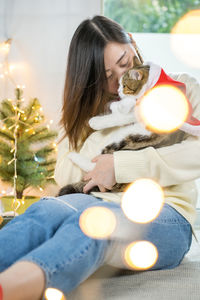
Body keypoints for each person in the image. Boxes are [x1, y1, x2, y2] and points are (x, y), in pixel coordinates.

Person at [0, 15, 200, 300]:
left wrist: (121, 166)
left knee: (93, 223)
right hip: (90, 199)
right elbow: (66, 173)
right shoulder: (91, 115)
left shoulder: (180, 88)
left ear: (132, 43)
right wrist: (106, 133)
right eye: (107, 77)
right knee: (42, 212)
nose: (121, 81)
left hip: (166, 212)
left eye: (124, 63)